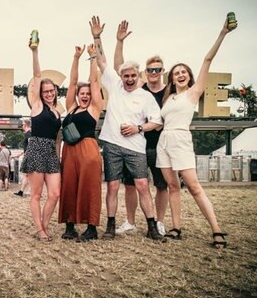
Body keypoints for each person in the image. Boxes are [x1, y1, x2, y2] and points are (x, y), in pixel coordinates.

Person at [156, 16, 235, 248]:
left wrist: (222, 33)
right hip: (164, 141)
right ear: (171, 77)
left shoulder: (193, 93)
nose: (180, 75)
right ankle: (176, 227)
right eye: (176, 72)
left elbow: (207, 59)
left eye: (184, 72)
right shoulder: (168, 97)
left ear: (189, 76)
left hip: (181, 139)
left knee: (193, 186)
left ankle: (217, 230)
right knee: (172, 186)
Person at [90, 15, 164, 240]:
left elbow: (157, 122)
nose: (129, 79)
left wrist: (138, 128)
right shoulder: (114, 85)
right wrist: (97, 36)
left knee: (142, 184)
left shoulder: (145, 97)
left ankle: (151, 227)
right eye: (126, 75)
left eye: (133, 75)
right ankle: (110, 226)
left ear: (138, 76)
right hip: (112, 144)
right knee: (112, 186)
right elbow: (101, 60)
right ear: (120, 76)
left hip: (136, 147)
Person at [113, 20, 169, 236]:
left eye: (158, 69)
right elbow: (120, 67)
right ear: (144, 73)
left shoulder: (168, 92)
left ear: (162, 71)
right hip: (135, 145)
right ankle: (129, 221)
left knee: (160, 185)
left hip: (159, 145)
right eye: (150, 69)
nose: (154, 72)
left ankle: (160, 222)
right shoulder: (139, 89)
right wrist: (119, 42)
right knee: (130, 184)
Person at [59, 42, 103, 242]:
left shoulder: (94, 108)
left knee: (89, 186)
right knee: (68, 185)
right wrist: (76, 58)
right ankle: (70, 225)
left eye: (87, 94)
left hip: (88, 149)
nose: (84, 96)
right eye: (81, 94)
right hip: (69, 150)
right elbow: (72, 82)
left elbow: (94, 81)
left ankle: (91, 227)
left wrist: (93, 58)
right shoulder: (71, 108)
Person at [20, 32, 61, 241]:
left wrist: (58, 154)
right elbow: (37, 76)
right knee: (36, 194)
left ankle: (43, 225)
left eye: (51, 90)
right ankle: (40, 229)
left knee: (54, 194)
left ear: (55, 91)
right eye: (45, 91)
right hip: (36, 150)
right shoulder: (37, 106)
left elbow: (57, 137)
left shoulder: (57, 111)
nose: (48, 93)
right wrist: (35, 52)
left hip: (52, 153)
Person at [13, 119, 31, 197]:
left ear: (25, 125)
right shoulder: (29, 133)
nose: (22, 126)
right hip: (29, 156)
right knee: (27, 175)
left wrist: (26, 154)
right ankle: (23, 191)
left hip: (28, 157)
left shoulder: (28, 134)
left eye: (23, 125)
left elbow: (30, 145)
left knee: (26, 174)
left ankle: (23, 191)